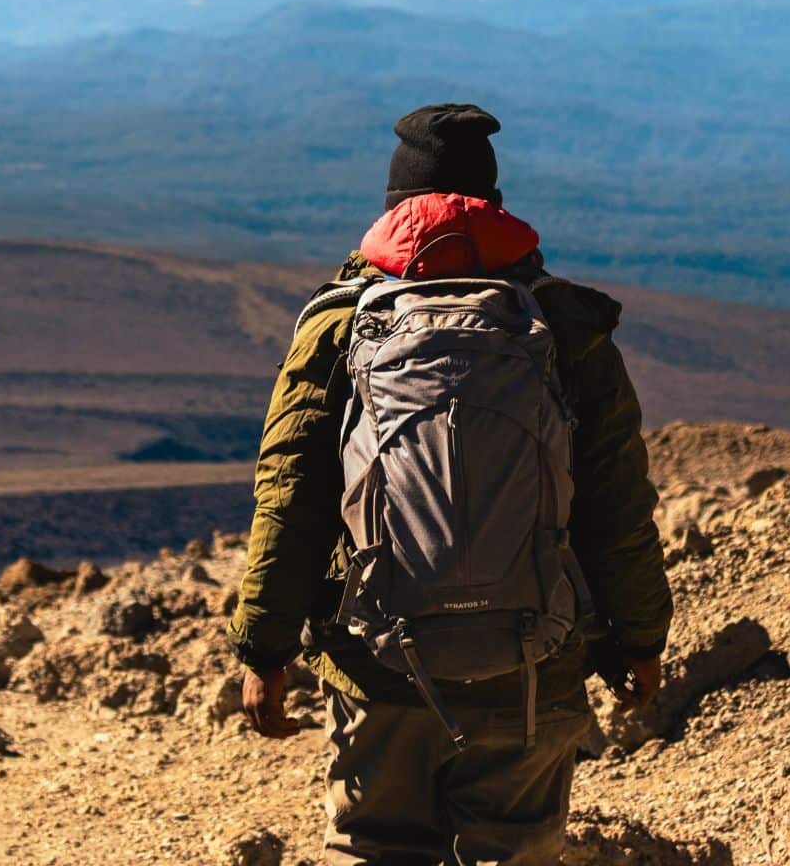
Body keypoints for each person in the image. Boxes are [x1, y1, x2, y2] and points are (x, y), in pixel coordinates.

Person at [228, 102, 673, 866]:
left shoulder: (338, 327)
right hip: (533, 661)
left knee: (375, 846)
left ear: (394, 206)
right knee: (515, 850)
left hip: (380, 661)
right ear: (495, 202)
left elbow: (291, 499)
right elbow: (615, 503)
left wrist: (264, 650)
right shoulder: (563, 325)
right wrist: (639, 637)